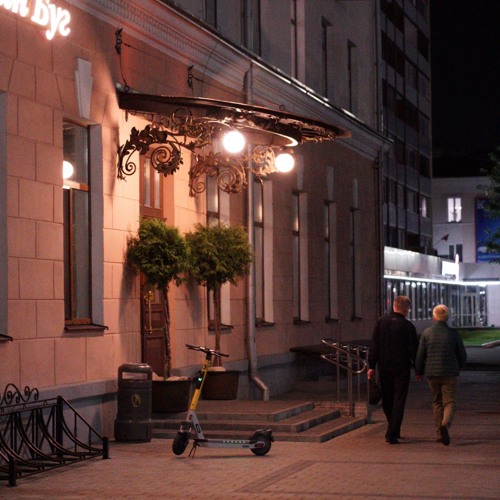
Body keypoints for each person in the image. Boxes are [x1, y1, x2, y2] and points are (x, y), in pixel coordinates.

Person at [367, 295, 418, 444]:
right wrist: (419, 368)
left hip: (384, 366)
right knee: (399, 399)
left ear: (394, 306)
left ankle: (393, 427)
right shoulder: (408, 326)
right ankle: (392, 431)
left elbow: (374, 345)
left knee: (387, 399)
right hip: (402, 367)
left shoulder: (381, 322)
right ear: (406, 309)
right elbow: (414, 349)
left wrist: (371, 365)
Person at [415, 304, 467, 446]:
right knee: (449, 402)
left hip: (432, 373)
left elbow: (420, 355)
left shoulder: (426, 333)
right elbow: (462, 354)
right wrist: (458, 366)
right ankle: (445, 424)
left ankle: (439, 432)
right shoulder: (453, 333)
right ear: (447, 318)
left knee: (437, 401)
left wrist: (419, 371)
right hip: (450, 373)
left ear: (434, 317)